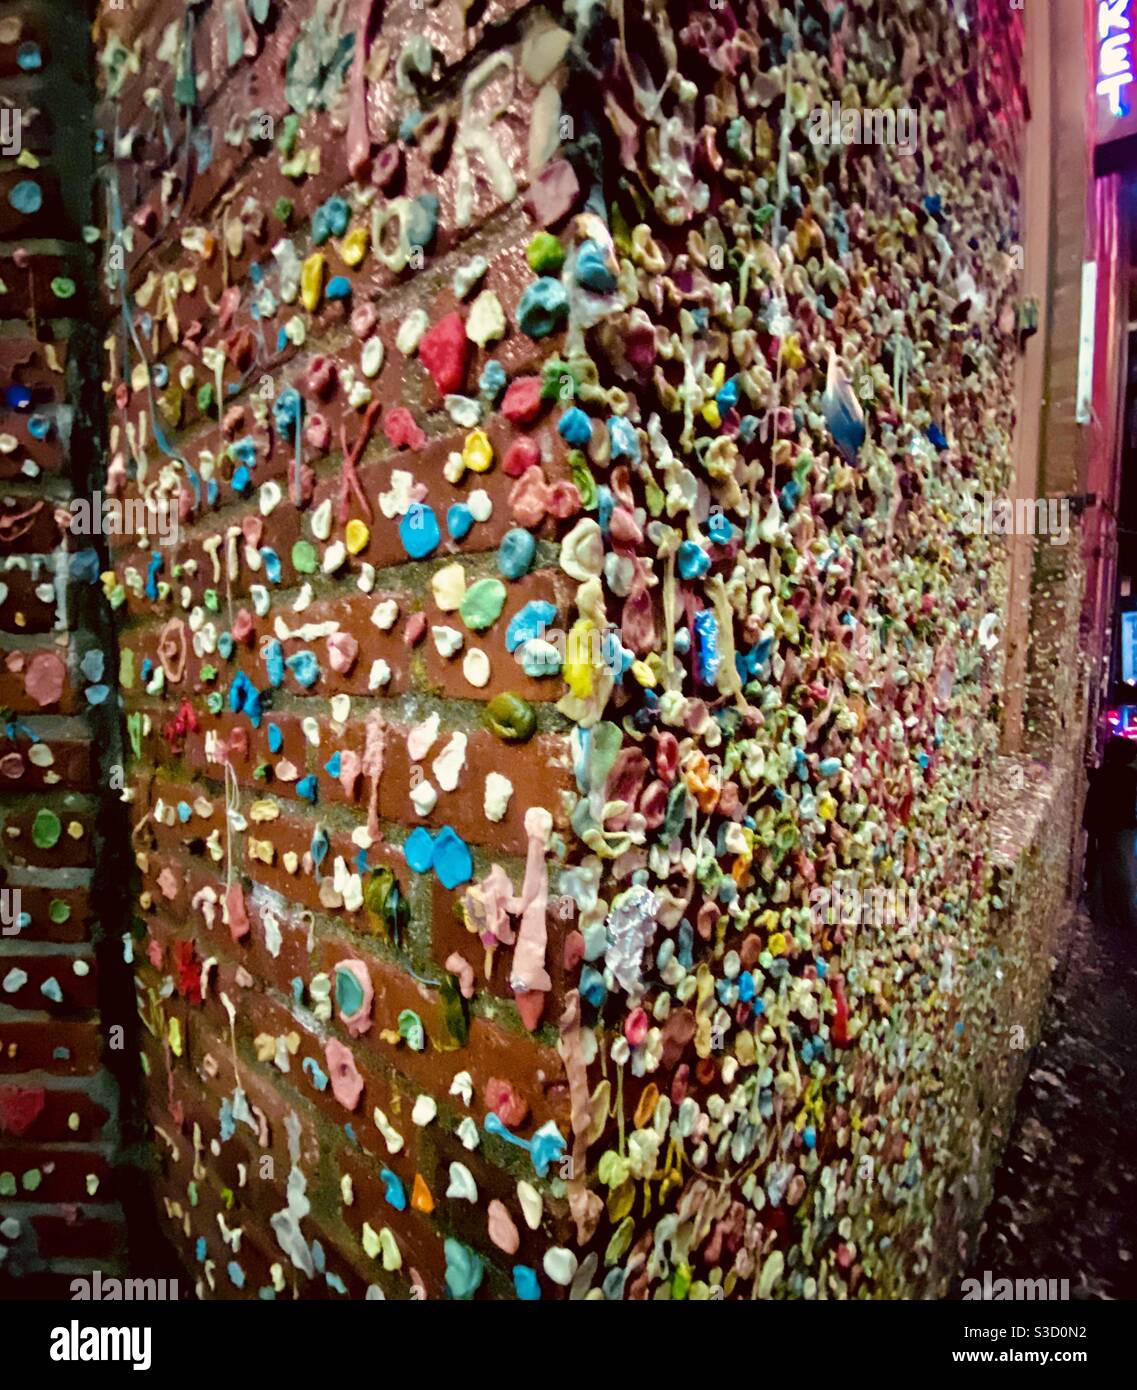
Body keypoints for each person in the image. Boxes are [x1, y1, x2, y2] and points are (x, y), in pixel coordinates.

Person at [1083, 736, 1137, 931]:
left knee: (1106, 868)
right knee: (1122, 871)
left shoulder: (1111, 773)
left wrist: (1093, 766)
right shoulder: (1128, 775)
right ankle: (1121, 913)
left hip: (1105, 827)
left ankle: (1109, 912)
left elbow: (1099, 780)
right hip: (1119, 829)